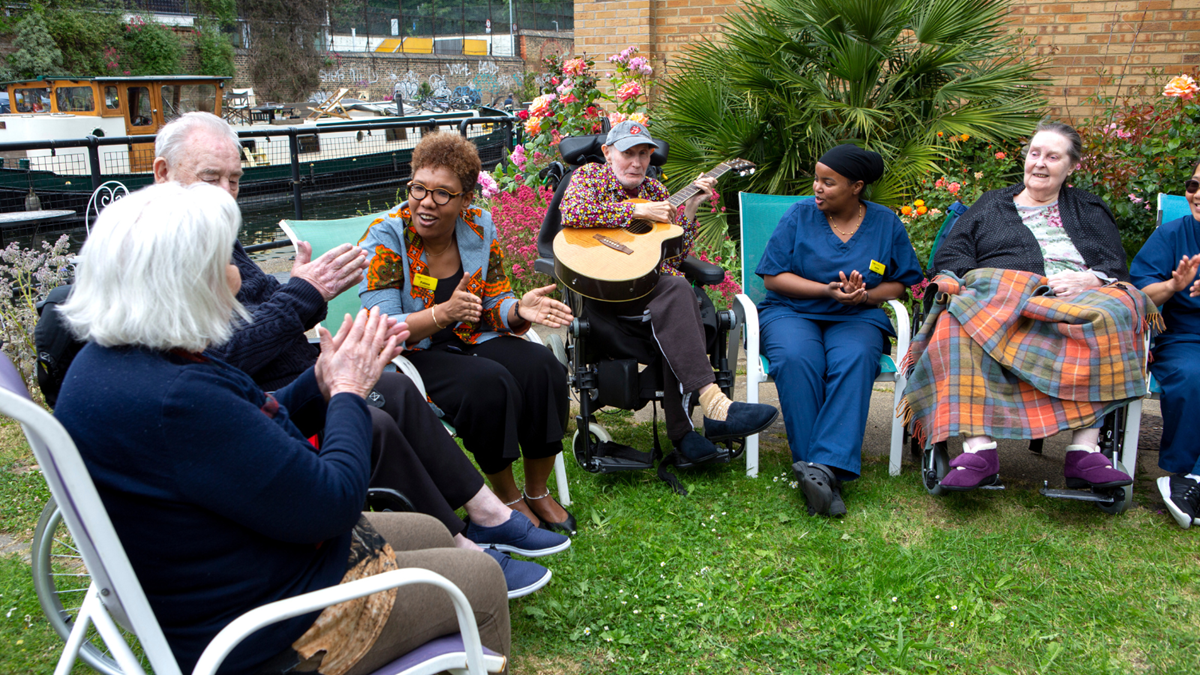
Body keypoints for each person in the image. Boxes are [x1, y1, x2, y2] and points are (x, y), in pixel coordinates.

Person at [53, 182, 511, 675]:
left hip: (236, 571)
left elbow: (251, 422)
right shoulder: (180, 399)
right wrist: (350, 391)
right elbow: (332, 504)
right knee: (480, 578)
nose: (236, 280)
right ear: (184, 282)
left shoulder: (111, 363)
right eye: (223, 264)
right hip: (265, 631)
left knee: (431, 528)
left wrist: (318, 382)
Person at [152, 112, 566, 597]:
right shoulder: (163, 251)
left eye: (235, 179)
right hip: (350, 366)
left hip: (327, 366)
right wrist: (303, 296)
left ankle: (494, 512)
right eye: (210, 178)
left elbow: (272, 309)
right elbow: (226, 351)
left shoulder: (222, 241)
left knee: (531, 365)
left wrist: (517, 309)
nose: (226, 192)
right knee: (403, 401)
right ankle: (469, 538)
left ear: (466, 199)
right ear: (163, 173)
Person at [359, 131, 578, 534]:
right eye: (419, 188)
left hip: (472, 337)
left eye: (443, 194)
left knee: (543, 368)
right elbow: (383, 326)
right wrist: (442, 313)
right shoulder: (387, 234)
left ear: (466, 200)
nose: (426, 202)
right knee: (488, 384)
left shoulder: (480, 226)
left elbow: (495, 300)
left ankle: (537, 491)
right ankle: (506, 499)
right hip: (415, 353)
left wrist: (518, 310)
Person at [914, 120, 1149, 492]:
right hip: (1003, 303)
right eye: (1034, 153)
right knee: (955, 319)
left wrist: (1089, 279)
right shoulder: (991, 203)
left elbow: (1113, 266)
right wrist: (969, 281)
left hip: (1077, 300)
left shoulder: (1088, 207)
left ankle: (1085, 452)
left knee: (1116, 310)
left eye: (1052, 156)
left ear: (1071, 166)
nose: (1039, 163)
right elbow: (953, 253)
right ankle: (979, 450)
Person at [558, 121, 779, 464]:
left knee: (677, 298)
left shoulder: (658, 191)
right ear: (607, 153)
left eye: (644, 154)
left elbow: (673, 254)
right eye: (628, 153)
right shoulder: (589, 177)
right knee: (678, 289)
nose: (637, 162)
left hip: (651, 289)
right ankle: (714, 406)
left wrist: (689, 209)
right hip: (606, 291)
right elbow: (572, 212)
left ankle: (684, 434)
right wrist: (636, 209)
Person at [756, 145, 923, 517]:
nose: (817, 187)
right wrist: (825, 290)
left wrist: (865, 296)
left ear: (856, 187)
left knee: (855, 358)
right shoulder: (799, 216)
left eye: (828, 182)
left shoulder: (885, 223)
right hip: (792, 311)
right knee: (798, 359)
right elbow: (772, 276)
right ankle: (822, 470)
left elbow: (899, 284)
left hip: (857, 317)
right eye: (816, 179)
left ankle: (819, 470)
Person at [1129, 163, 1200, 528]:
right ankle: (1187, 478)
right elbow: (1141, 293)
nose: (1198, 194)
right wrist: (1173, 286)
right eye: (1194, 184)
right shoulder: (1173, 235)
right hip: (1184, 336)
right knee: (1192, 375)